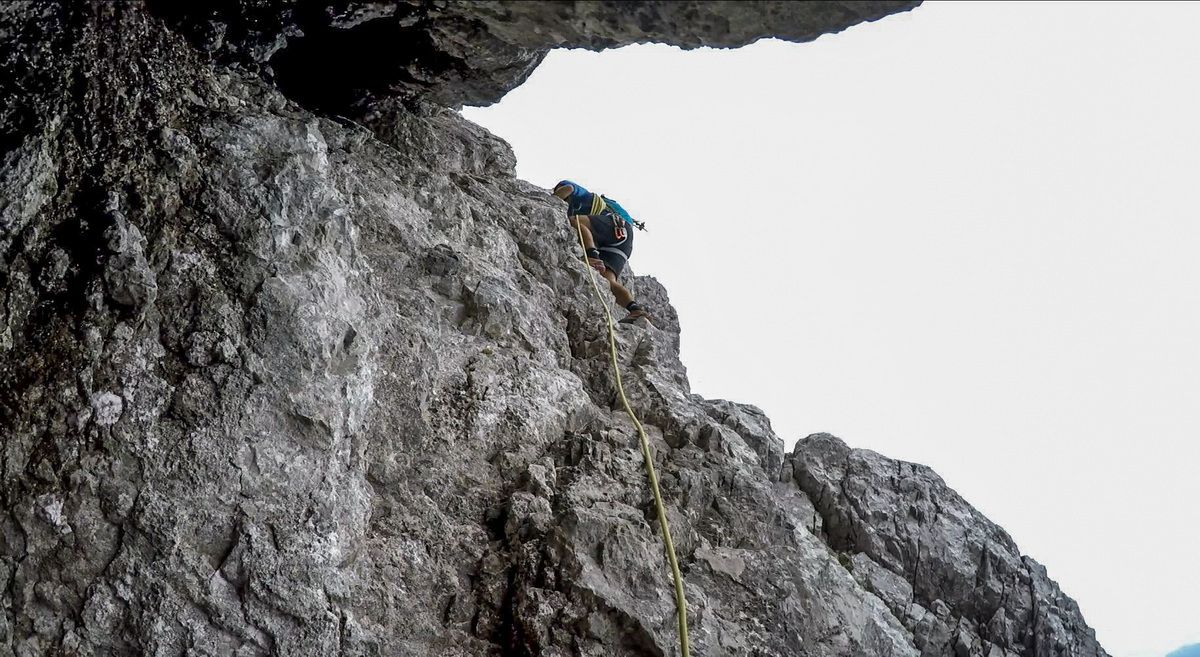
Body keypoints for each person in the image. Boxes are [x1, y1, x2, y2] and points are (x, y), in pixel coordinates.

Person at [553, 180, 650, 324]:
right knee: (607, 281)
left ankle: (592, 256)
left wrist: (553, 199)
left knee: (575, 222)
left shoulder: (582, 195)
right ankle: (635, 309)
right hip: (624, 241)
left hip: (615, 224)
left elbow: (568, 188)